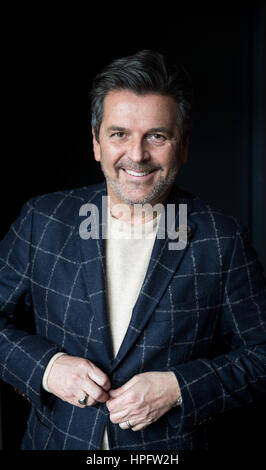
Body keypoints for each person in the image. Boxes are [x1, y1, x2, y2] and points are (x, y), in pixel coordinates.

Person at [0, 50, 265, 451]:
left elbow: (262, 357)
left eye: (157, 136)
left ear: (183, 146)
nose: (137, 155)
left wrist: (179, 388)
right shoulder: (43, 219)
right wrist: (48, 368)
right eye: (119, 134)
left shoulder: (221, 239)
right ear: (96, 143)